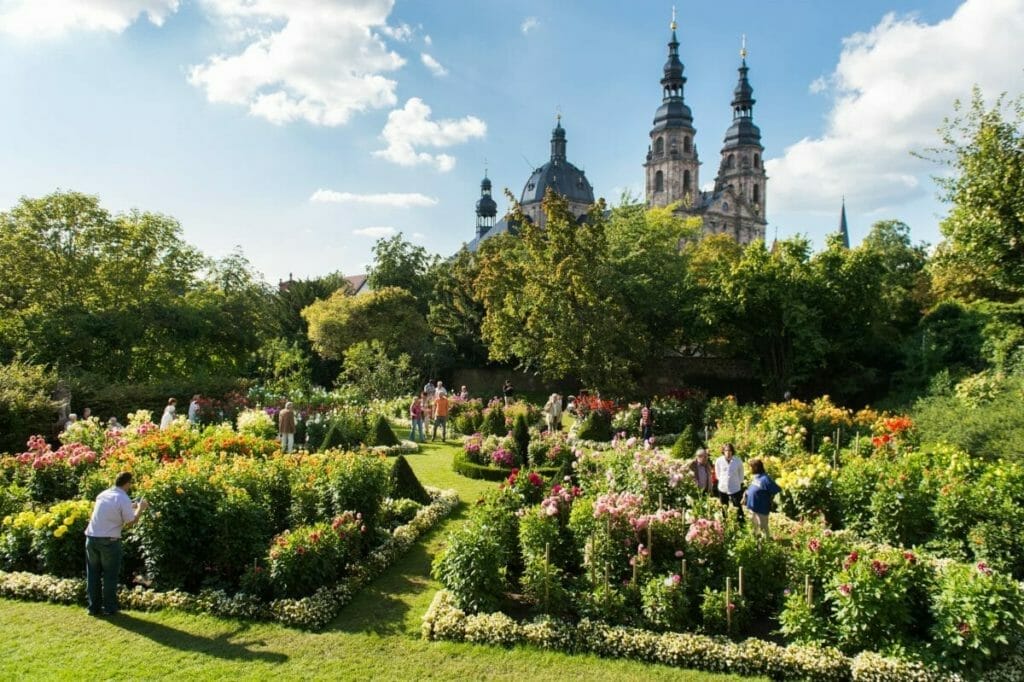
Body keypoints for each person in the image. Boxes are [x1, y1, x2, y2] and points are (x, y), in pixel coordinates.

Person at [84, 471, 148, 616]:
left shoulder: (103, 494)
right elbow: (130, 522)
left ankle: (93, 608)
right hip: (109, 541)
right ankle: (110, 608)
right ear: (127, 483)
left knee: (93, 574)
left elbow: (113, 509)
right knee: (109, 575)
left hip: (91, 538)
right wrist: (140, 509)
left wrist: (132, 506)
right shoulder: (123, 498)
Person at [744, 458, 782, 537]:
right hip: (753, 507)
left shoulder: (765, 479)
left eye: (751, 467)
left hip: (761, 509)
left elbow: (776, 489)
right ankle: (757, 540)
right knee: (755, 526)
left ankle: (766, 542)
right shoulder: (757, 477)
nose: (750, 469)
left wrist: (771, 500)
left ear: (756, 468)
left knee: (763, 527)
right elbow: (753, 488)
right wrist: (746, 495)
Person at [714, 443, 745, 523]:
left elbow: (741, 473)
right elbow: (717, 473)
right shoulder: (719, 460)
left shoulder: (737, 461)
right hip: (723, 487)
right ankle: (725, 521)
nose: (728, 452)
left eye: (730, 451)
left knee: (737, 505)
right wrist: (721, 480)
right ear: (723, 451)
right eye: (726, 450)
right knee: (724, 506)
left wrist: (739, 482)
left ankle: (741, 521)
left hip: (735, 487)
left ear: (732, 451)